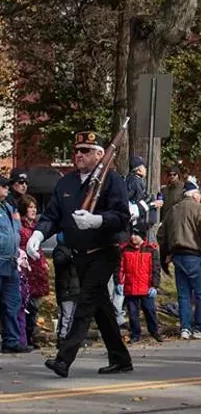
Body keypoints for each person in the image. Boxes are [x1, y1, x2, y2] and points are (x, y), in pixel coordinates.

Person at [27, 130, 132, 377]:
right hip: (79, 255)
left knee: (85, 302)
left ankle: (64, 359)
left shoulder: (112, 180)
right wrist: (38, 234)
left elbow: (122, 217)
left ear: (100, 154)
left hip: (104, 252)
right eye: (76, 150)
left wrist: (97, 220)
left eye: (85, 150)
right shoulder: (67, 182)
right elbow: (53, 215)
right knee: (101, 309)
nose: (78, 155)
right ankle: (121, 358)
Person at [160, 181, 201, 339]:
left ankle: (185, 328)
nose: (200, 197)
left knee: (184, 295)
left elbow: (162, 234)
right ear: (194, 195)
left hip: (178, 256)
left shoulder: (173, 210)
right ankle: (200, 327)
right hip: (196, 255)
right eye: (199, 194)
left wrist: (166, 253)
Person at [0, 175, 31, 354]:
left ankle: (11, 340)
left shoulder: (10, 207)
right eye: (3, 186)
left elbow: (16, 231)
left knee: (13, 302)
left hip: (11, 262)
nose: (6, 189)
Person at [118, 224, 163, 343]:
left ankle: (154, 331)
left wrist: (154, 285)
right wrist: (119, 282)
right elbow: (120, 267)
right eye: (132, 234)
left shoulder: (150, 250)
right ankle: (135, 334)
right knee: (132, 313)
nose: (133, 237)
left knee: (150, 311)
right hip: (130, 286)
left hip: (146, 287)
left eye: (136, 235)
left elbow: (155, 269)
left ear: (142, 236)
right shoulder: (125, 250)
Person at [18, 194, 49, 349]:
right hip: (25, 268)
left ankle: (31, 335)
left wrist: (43, 262)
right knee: (25, 303)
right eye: (30, 207)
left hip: (37, 268)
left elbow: (39, 247)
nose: (33, 210)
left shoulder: (36, 226)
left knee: (35, 305)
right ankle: (24, 336)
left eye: (34, 207)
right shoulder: (20, 226)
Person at [52, 232, 79, 346]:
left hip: (75, 287)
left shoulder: (75, 249)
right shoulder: (59, 250)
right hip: (66, 288)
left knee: (74, 315)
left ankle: (70, 337)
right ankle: (62, 337)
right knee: (66, 315)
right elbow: (60, 262)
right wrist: (71, 257)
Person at [125, 156, 162, 227]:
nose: (146, 169)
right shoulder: (135, 181)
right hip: (136, 223)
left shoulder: (132, 179)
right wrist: (153, 204)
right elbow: (138, 202)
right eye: (144, 167)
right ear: (138, 170)